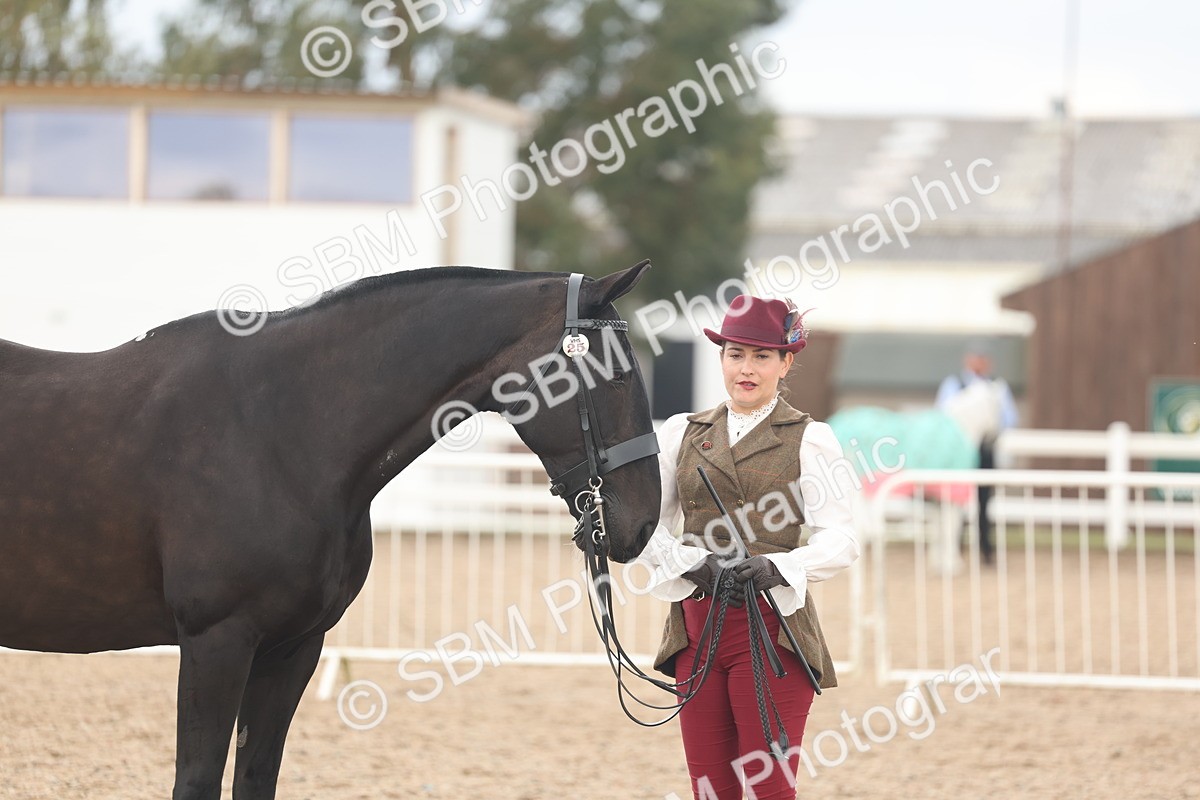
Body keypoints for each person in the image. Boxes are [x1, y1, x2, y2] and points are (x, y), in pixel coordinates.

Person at [634, 295, 860, 800]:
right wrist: (692, 563)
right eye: (735, 354)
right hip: (695, 632)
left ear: (786, 363)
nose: (747, 368)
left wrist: (778, 566)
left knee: (769, 789)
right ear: (721, 359)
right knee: (710, 788)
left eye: (761, 356)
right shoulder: (681, 432)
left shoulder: (811, 439)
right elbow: (649, 527)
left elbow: (843, 539)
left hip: (771, 632)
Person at [935, 340, 1019, 564]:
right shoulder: (954, 384)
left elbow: (1009, 418)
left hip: (984, 448)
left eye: (983, 359)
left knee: (984, 502)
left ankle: (985, 549)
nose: (979, 363)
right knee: (955, 498)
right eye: (976, 358)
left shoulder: (997, 387)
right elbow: (943, 415)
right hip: (959, 450)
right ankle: (954, 547)